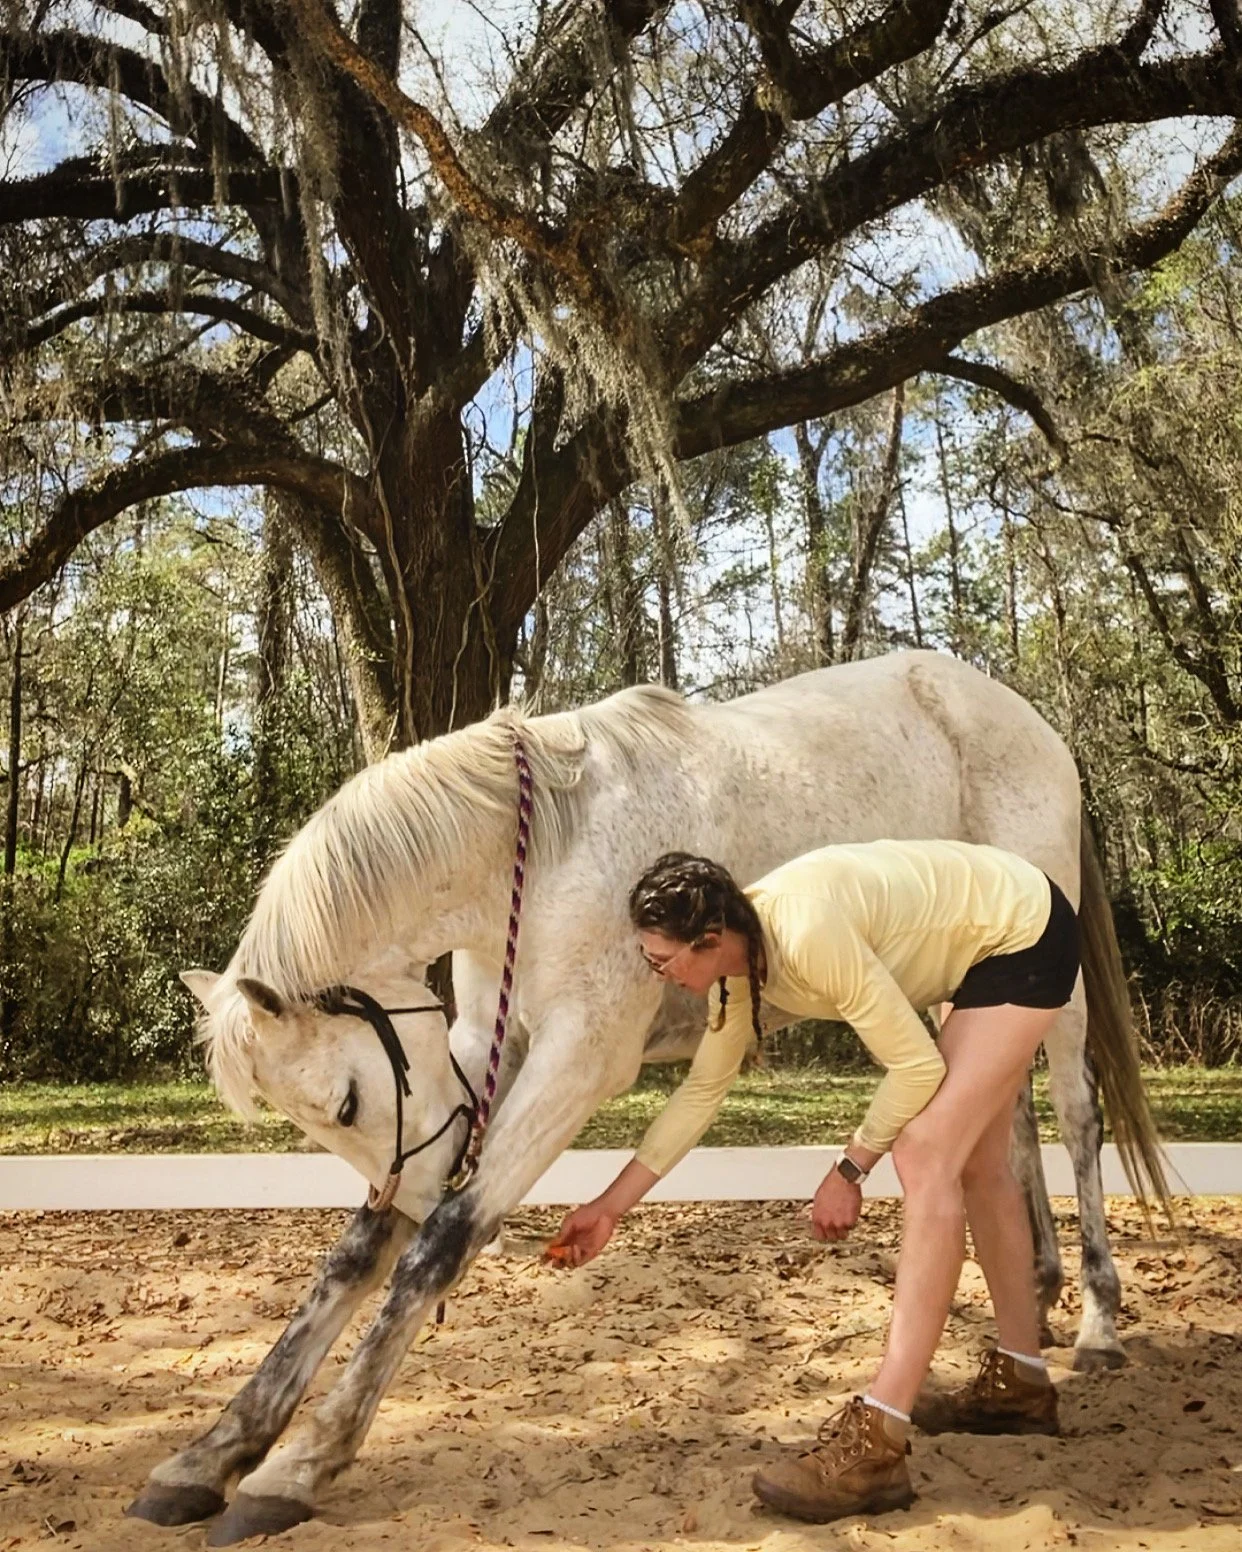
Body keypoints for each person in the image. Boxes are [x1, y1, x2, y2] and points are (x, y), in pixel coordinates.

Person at [548, 838, 1080, 1523]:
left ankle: (878, 1442)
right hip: (980, 940)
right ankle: (1020, 1385)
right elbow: (703, 1090)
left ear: (709, 940)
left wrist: (849, 1168)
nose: (659, 975)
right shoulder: (741, 967)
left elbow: (916, 1067)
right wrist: (610, 1207)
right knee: (976, 1161)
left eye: (661, 960)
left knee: (924, 1153)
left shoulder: (805, 933)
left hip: (1021, 932)